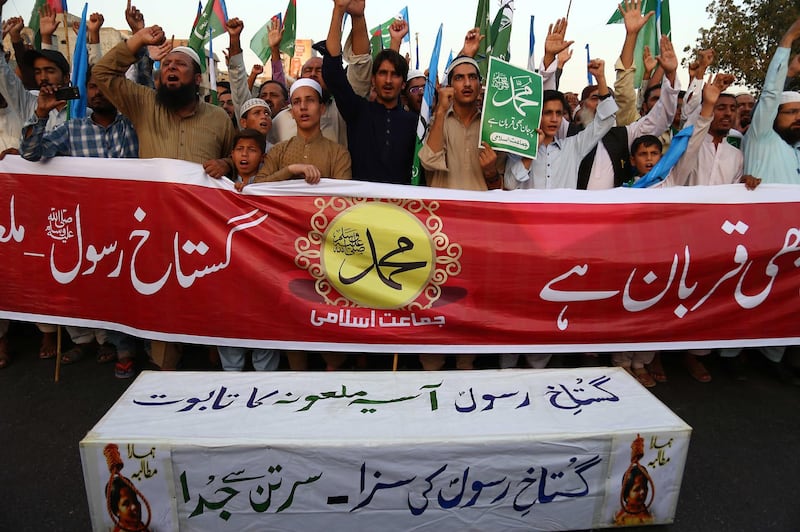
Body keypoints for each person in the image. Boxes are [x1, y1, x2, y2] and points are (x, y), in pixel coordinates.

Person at [93, 25, 236, 371]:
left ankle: (216, 349)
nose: (171, 68)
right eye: (166, 65)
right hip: (154, 225)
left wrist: (227, 162)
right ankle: (164, 362)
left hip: (204, 226)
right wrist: (139, 41)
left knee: (209, 289)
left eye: (180, 65)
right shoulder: (144, 104)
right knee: (162, 292)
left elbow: (237, 159)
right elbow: (101, 73)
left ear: (198, 77)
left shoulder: (218, 118)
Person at [723, 17, 800, 385]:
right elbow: (770, 95)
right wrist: (786, 42)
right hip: (754, 237)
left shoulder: (794, 150)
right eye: (791, 112)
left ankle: (773, 356)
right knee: (745, 291)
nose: (797, 118)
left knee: (787, 297)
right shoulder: (762, 136)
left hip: (791, 242)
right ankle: (731, 356)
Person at [417, 55, 502, 370]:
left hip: (482, 232)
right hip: (441, 230)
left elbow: (503, 189)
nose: (466, 83)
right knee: (438, 301)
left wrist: (492, 172)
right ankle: (432, 366)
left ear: (481, 85)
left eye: (472, 78)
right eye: (459, 78)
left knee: (472, 302)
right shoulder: (437, 118)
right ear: (450, 85)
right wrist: (440, 110)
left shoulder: (493, 125)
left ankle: (466, 364)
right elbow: (428, 160)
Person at [323, 0, 417, 184]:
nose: (388, 80)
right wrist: (339, 10)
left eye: (395, 75)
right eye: (382, 73)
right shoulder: (358, 112)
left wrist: (395, 42)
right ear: (373, 80)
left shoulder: (414, 123)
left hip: (402, 210)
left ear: (404, 84)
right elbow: (332, 72)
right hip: (359, 208)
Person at [252, 79, 351, 185]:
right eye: (297, 102)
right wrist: (290, 170)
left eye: (310, 100)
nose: (303, 107)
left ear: (322, 108)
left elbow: (342, 195)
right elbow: (257, 185)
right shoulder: (277, 151)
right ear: (292, 113)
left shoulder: (339, 154)